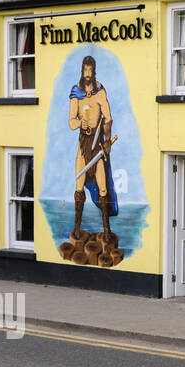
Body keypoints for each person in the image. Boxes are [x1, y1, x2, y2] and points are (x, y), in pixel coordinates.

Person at [68, 55, 116, 238]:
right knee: (78, 187)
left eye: (90, 71)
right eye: (85, 70)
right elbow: (71, 122)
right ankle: (78, 229)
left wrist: (107, 141)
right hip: (83, 144)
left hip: (97, 145)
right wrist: (81, 123)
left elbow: (108, 119)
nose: (88, 74)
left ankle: (107, 231)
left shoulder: (100, 92)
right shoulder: (76, 93)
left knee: (103, 188)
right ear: (82, 71)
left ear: (94, 72)